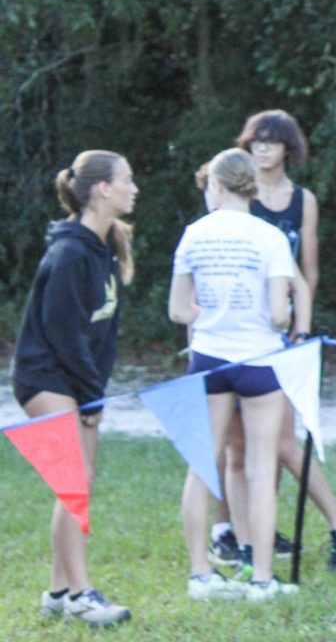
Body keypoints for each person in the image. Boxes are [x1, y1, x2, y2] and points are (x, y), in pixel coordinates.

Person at [203, 109, 336, 576]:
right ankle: (247, 540)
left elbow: (305, 269)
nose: (263, 149)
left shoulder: (301, 200)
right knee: (236, 450)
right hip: (230, 335)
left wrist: (301, 325)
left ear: (288, 148)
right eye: (255, 142)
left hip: (280, 332)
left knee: (285, 444)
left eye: (272, 142)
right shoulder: (233, 195)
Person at [11, 151, 138, 627]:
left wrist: (93, 393)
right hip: (44, 377)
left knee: (79, 484)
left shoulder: (102, 249)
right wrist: (89, 396)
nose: (134, 188)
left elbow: (100, 334)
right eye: (127, 180)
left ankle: (59, 592)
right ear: (103, 189)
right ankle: (83, 596)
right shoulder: (68, 252)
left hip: (77, 380)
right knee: (74, 483)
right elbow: (62, 332)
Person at [169, 149, 300, 601]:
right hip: (259, 359)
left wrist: (210, 313)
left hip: (208, 358)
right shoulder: (270, 237)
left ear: (220, 187)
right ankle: (263, 580)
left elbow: (177, 309)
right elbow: (281, 316)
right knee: (262, 470)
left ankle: (200, 576)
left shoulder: (193, 235)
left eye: (208, 186)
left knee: (202, 467)